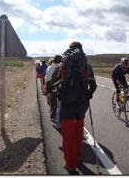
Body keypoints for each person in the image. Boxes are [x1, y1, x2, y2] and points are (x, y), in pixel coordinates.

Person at [48, 41, 97, 175]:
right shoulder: (86, 66)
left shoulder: (64, 66)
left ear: (70, 50)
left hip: (66, 105)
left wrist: (51, 92)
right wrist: (88, 94)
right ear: (81, 50)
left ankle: (70, 165)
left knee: (68, 135)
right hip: (81, 105)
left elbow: (52, 83)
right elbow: (93, 86)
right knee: (78, 131)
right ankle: (78, 156)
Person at [45, 54, 63, 120]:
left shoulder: (49, 67)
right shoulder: (60, 66)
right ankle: (56, 114)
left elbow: (46, 77)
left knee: (51, 100)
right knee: (57, 101)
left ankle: (52, 111)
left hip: (49, 85)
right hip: (55, 85)